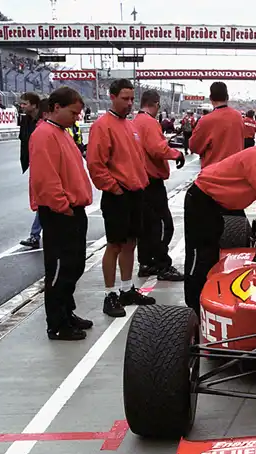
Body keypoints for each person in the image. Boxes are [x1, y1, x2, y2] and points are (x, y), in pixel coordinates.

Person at [182, 137, 256, 315]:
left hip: (220, 205)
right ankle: (193, 308)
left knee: (212, 254)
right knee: (199, 254)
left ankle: (205, 297)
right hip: (201, 199)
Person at [28, 86, 94, 341]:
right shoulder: (44, 135)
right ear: (56, 108)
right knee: (59, 269)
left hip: (73, 210)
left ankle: (67, 312)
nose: (77, 117)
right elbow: (46, 179)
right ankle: (56, 323)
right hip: (59, 213)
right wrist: (62, 206)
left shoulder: (63, 132)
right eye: (73, 112)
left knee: (74, 265)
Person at [86, 78, 156, 318]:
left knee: (130, 243)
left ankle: (127, 289)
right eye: (124, 98)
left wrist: (141, 184)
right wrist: (113, 188)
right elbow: (95, 163)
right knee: (114, 245)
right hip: (118, 194)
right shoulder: (102, 126)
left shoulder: (130, 126)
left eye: (131, 99)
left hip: (136, 192)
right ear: (112, 96)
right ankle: (110, 293)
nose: (129, 103)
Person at [133, 89, 186, 281]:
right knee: (164, 225)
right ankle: (163, 264)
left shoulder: (135, 121)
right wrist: (176, 154)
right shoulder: (149, 122)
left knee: (146, 228)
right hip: (152, 181)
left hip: (140, 181)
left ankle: (146, 263)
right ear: (155, 104)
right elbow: (157, 148)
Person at [188, 81, 244, 167]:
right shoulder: (238, 117)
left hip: (212, 172)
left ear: (211, 98)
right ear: (227, 97)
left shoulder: (205, 120)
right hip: (234, 171)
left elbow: (194, 147)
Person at [19, 93, 45, 250]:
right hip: (34, 163)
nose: (22, 106)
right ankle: (35, 234)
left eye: (25, 103)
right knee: (41, 200)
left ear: (34, 105)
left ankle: (35, 235)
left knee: (43, 200)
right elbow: (24, 141)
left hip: (44, 164)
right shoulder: (25, 120)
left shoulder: (44, 121)